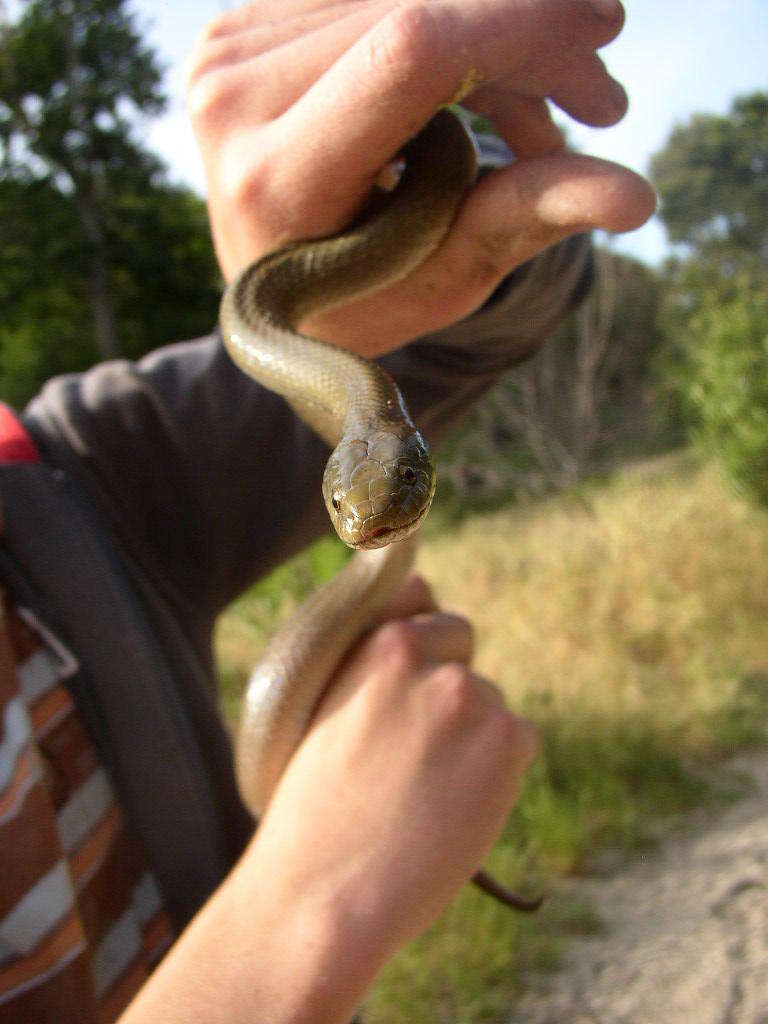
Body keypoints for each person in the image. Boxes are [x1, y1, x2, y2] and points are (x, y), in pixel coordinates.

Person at [0, 1, 654, 1021]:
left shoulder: (58, 490)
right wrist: (303, 899)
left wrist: (445, 174)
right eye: (361, 510)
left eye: (386, 506)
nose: (368, 530)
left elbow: (479, 331)